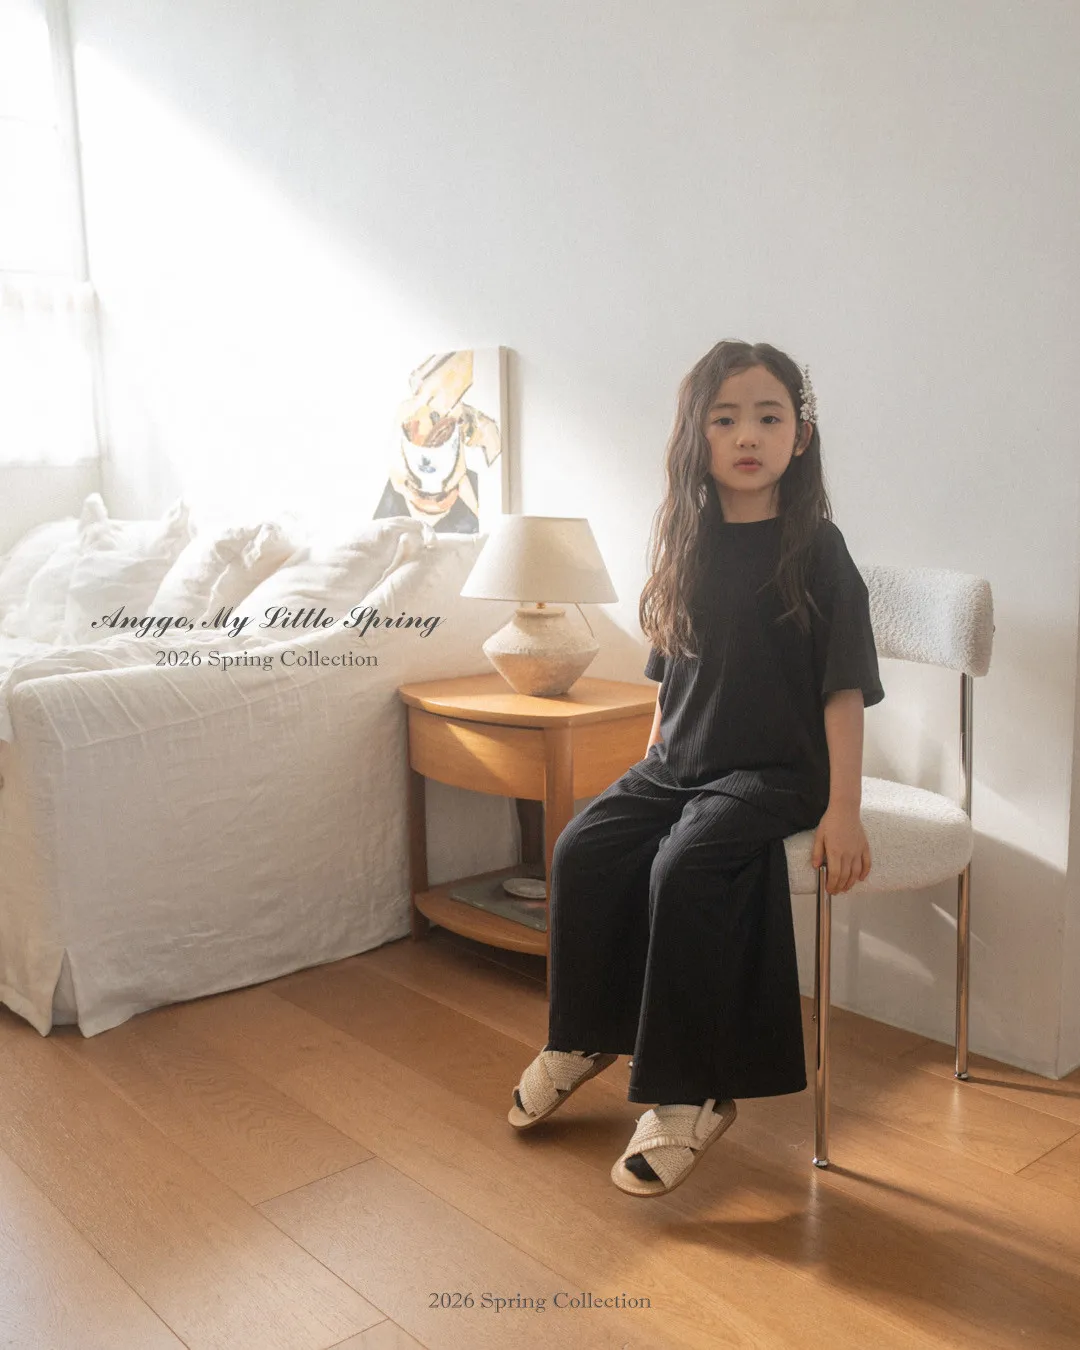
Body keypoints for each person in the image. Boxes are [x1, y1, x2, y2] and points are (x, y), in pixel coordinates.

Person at [507, 339, 884, 1198]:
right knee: (581, 848)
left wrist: (845, 808)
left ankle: (694, 1093)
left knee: (685, 866)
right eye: (725, 419)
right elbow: (671, 673)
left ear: (800, 435)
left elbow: (844, 688)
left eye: (769, 417)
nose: (748, 435)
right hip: (678, 760)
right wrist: (648, 764)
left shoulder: (819, 551)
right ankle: (583, 1035)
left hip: (776, 771)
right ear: (696, 436)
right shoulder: (688, 542)